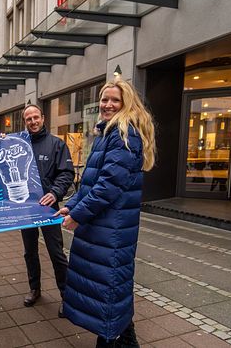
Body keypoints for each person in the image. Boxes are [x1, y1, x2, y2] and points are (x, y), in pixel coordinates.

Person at [56, 79, 156, 348]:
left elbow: (107, 187)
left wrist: (78, 215)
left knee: (109, 293)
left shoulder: (124, 133)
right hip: (105, 229)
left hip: (110, 231)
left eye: (115, 100)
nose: (108, 105)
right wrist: (72, 204)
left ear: (126, 103)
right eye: (104, 99)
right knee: (111, 294)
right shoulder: (109, 133)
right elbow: (92, 181)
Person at [20, 104, 74, 315]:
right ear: (25, 122)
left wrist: (55, 192)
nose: (33, 122)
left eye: (36, 117)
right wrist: (2, 142)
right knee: (30, 252)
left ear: (43, 118)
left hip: (49, 208)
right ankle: (35, 289)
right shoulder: (20, 145)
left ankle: (66, 296)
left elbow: (67, 173)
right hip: (25, 209)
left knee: (56, 252)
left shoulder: (56, 144)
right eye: (28, 119)